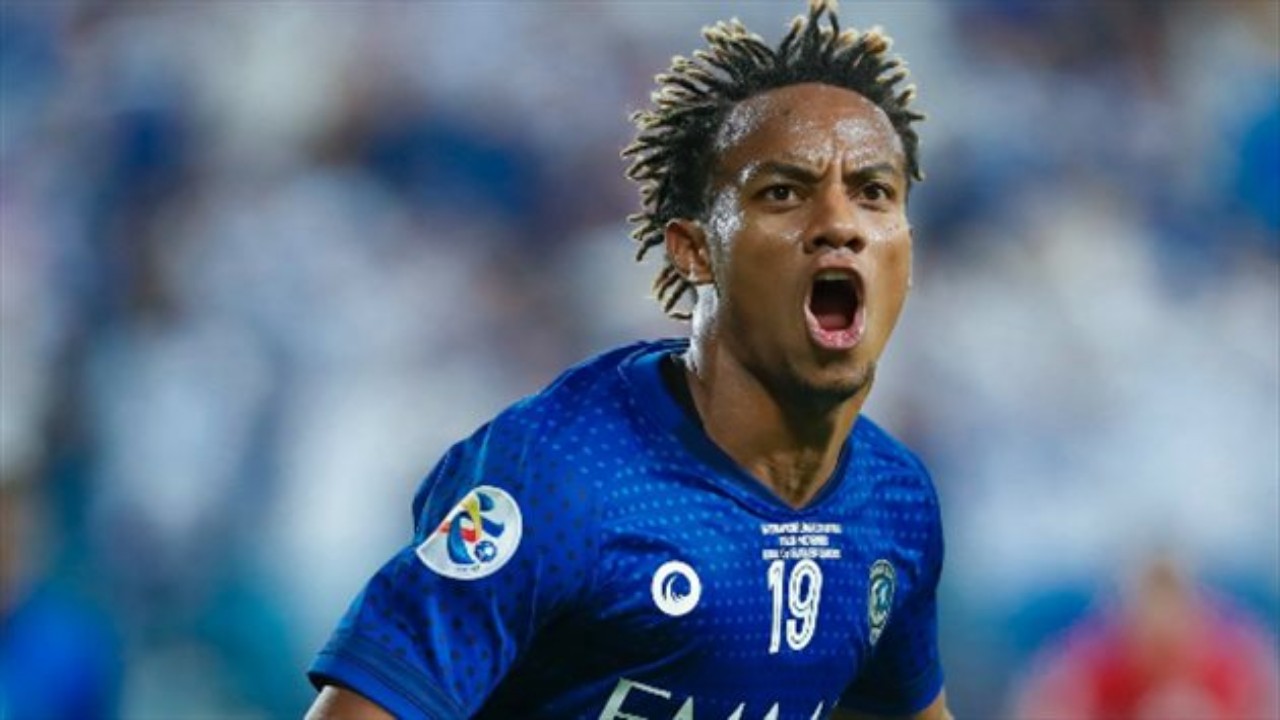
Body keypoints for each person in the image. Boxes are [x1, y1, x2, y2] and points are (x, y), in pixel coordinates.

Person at [305, 1, 952, 718]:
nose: (839, 224)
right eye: (783, 192)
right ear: (695, 250)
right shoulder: (560, 478)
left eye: (873, 193)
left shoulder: (896, 502)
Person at [1010, 555, 1280, 719]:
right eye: (1153, 641)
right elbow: (1043, 703)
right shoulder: (1094, 658)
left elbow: (1266, 698)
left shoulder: (1235, 658)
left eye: (1169, 643)